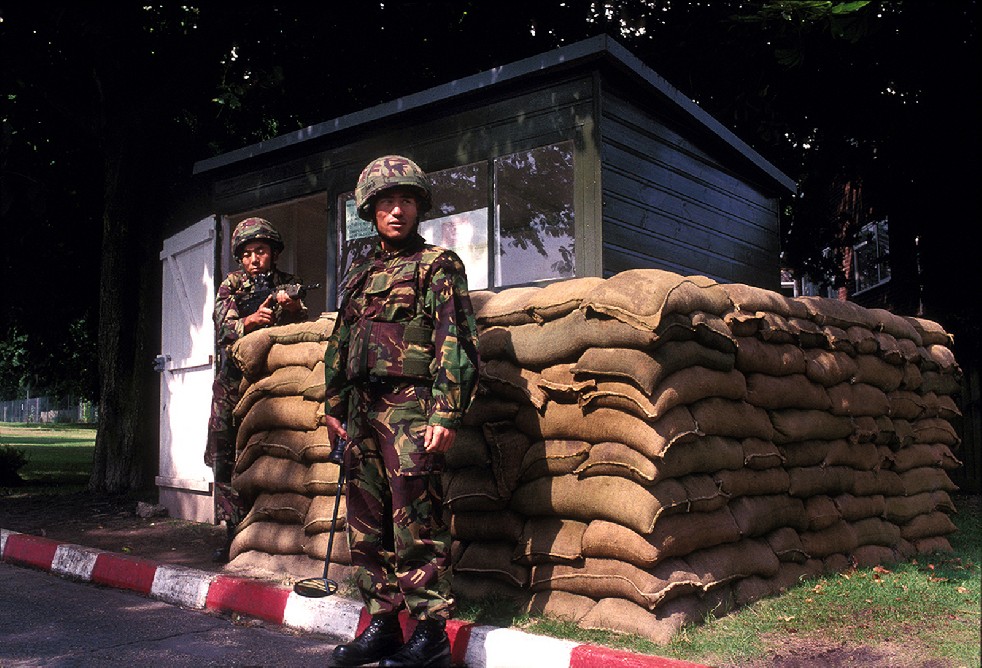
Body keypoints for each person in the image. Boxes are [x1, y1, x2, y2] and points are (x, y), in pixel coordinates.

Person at [320, 155, 480, 668]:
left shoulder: (438, 265)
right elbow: (341, 342)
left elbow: (455, 342)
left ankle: (430, 634)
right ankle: (384, 624)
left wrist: (446, 413)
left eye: (406, 200)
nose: (397, 210)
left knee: (415, 517)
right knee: (367, 523)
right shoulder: (361, 271)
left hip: (410, 409)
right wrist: (333, 405)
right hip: (362, 410)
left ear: (419, 207)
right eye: (387, 201)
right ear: (371, 209)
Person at [205, 217, 308, 562]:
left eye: (260, 251)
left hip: (269, 385)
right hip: (232, 383)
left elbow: (301, 330)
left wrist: (291, 307)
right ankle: (233, 530)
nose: (254, 259)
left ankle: (270, 529)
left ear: (273, 253)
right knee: (223, 451)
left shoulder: (288, 284)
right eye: (247, 253)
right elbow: (223, 328)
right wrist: (247, 322)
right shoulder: (231, 285)